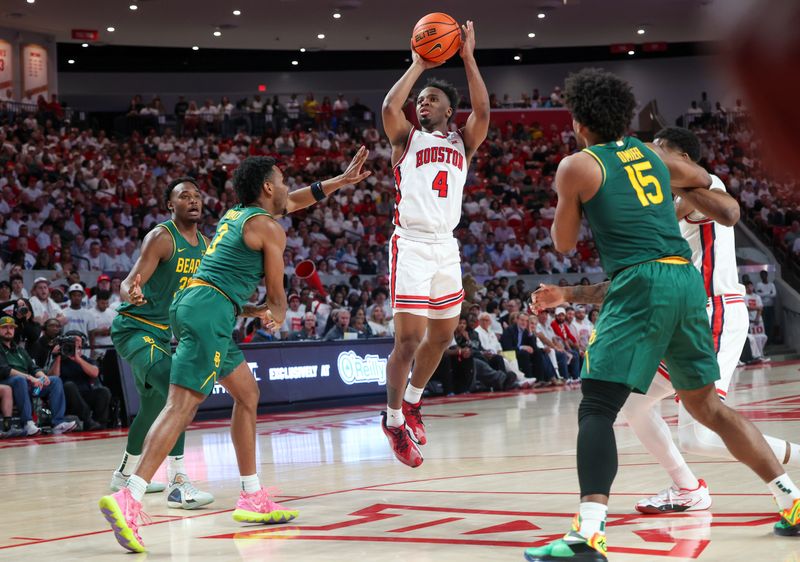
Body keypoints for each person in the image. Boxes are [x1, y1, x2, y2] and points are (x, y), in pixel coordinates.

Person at [523, 69, 800, 562]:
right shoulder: (654, 155)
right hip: (685, 282)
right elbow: (713, 192)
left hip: (641, 282)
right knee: (707, 409)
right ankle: (791, 501)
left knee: (598, 406)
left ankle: (589, 534)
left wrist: (575, 202)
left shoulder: (577, 165)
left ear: (578, 121)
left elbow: (563, 243)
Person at [99, 148, 370, 553]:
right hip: (207, 312)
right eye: (280, 179)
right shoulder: (270, 230)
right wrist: (274, 314)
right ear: (266, 187)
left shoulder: (238, 215)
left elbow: (295, 200)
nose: (285, 186)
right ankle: (130, 496)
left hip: (206, 308)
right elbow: (277, 296)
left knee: (247, 394)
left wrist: (338, 182)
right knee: (181, 406)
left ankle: (250, 494)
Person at [380, 20, 489, 467]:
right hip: (410, 243)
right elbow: (390, 105)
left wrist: (467, 57)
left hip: (446, 245)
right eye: (421, 100)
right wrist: (418, 65)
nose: (423, 102)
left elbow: (483, 112)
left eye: (432, 98)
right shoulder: (407, 139)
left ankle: (412, 401)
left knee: (442, 336)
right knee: (407, 340)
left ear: (449, 109)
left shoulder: (464, 140)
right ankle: (391, 420)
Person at [108, 177, 214, 507]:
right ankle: (178, 481)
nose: (193, 201)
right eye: (185, 197)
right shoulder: (161, 237)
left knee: (154, 406)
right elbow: (128, 283)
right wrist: (132, 292)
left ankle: (123, 475)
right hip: (134, 327)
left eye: (197, 196)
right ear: (171, 205)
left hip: (162, 334)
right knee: (177, 387)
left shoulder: (206, 245)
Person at [0, 315, 76, 436]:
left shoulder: (20, 350)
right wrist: (30, 377)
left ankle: (58, 423)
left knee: (55, 380)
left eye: (11, 327)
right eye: (4, 327)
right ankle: (28, 422)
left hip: (27, 384)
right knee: (19, 379)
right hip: (6, 382)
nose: (8, 330)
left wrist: (42, 376)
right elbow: (5, 370)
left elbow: (33, 367)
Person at [50, 331, 111, 431]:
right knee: (69, 385)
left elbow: (95, 373)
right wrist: (58, 356)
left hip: (85, 394)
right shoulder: (60, 360)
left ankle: (100, 424)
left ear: (82, 344)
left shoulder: (86, 360)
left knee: (104, 391)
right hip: (67, 398)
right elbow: (54, 377)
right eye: (71, 340)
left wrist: (77, 359)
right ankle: (88, 421)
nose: (74, 343)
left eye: (77, 340)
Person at [754, 270, 776, 339]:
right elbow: (758, 295)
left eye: (764, 275)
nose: (763, 276)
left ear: (767, 275)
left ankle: (771, 339)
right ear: (760, 276)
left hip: (770, 306)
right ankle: (766, 339)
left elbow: (774, 294)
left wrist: (763, 293)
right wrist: (769, 293)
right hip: (762, 307)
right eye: (762, 275)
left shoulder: (771, 284)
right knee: (764, 323)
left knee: (771, 323)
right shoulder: (758, 284)